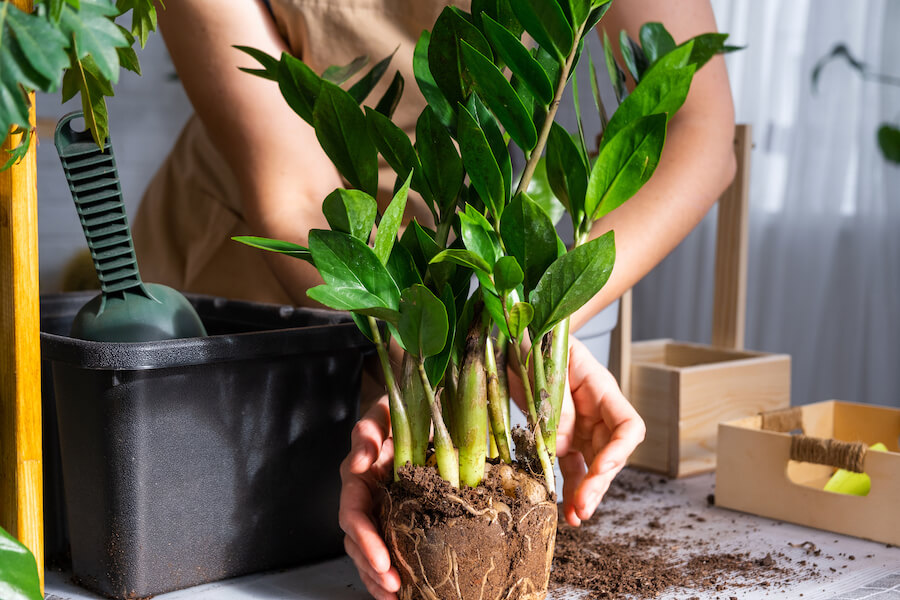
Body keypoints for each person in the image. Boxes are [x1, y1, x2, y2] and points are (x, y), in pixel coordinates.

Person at [133, 1, 735, 598]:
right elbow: (293, 192)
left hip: (453, 240)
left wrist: (531, 326)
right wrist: (425, 365)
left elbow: (700, 129)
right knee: (215, 544)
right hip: (277, 276)